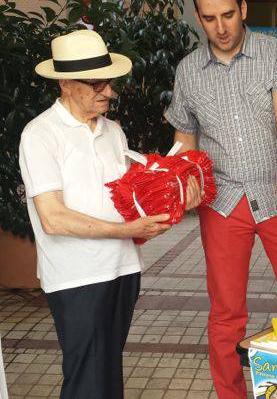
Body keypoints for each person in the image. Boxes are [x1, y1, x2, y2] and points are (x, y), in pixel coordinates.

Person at [18, 29, 201, 399]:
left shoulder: (113, 131)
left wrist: (178, 198)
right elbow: (54, 218)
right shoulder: (40, 135)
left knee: (107, 374)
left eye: (110, 82)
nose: (109, 92)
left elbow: (130, 203)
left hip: (122, 270)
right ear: (66, 83)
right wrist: (128, 229)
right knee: (86, 377)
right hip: (75, 277)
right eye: (97, 84)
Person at [164, 0, 277, 398]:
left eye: (229, 15)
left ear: (244, 9)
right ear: (198, 18)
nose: (222, 27)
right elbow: (184, 139)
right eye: (210, 18)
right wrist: (182, 181)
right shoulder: (188, 71)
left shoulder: (276, 53)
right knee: (226, 312)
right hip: (222, 202)